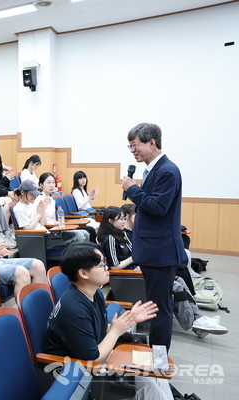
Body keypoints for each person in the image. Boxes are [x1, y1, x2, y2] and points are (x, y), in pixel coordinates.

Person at [43, 242, 173, 400]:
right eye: (102, 264)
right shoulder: (74, 309)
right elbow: (94, 357)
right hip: (74, 370)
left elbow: (100, 329)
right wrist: (116, 331)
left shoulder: (93, 293)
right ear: (83, 273)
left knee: (154, 369)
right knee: (149, 383)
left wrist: (129, 319)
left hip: (90, 353)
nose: (107, 268)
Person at [122, 123, 186, 350]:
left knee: (159, 309)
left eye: (135, 144)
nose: (132, 150)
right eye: (129, 146)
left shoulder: (167, 170)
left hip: (160, 252)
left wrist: (131, 189)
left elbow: (158, 207)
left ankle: (158, 362)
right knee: (155, 306)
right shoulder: (153, 170)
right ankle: (155, 356)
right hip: (153, 251)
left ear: (152, 142)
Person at [118, 204, 227, 338]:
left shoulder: (136, 231)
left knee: (180, 276)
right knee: (176, 284)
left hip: (145, 268)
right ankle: (196, 323)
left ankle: (199, 318)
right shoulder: (118, 237)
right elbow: (118, 265)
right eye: (121, 219)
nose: (123, 222)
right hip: (135, 275)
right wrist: (138, 256)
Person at [13, 179, 88, 249]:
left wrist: (43, 210)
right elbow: (27, 230)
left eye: (35, 194)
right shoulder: (19, 208)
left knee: (84, 233)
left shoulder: (30, 205)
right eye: (31, 194)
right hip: (38, 239)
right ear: (22, 192)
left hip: (44, 234)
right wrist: (39, 214)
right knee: (79, 235)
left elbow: (42, 224)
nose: (34, 196)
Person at [37, 172, 94, 242]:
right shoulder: (40, 199)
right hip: (48, 230)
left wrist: (63, 224)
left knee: (85, 232)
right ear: (41, 184)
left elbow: (54, 219)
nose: (51, 185)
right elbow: (42, 224)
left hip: (55, 227)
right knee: (79, 235)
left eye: (53, 182)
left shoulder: (52, 199)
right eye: (48, 183)